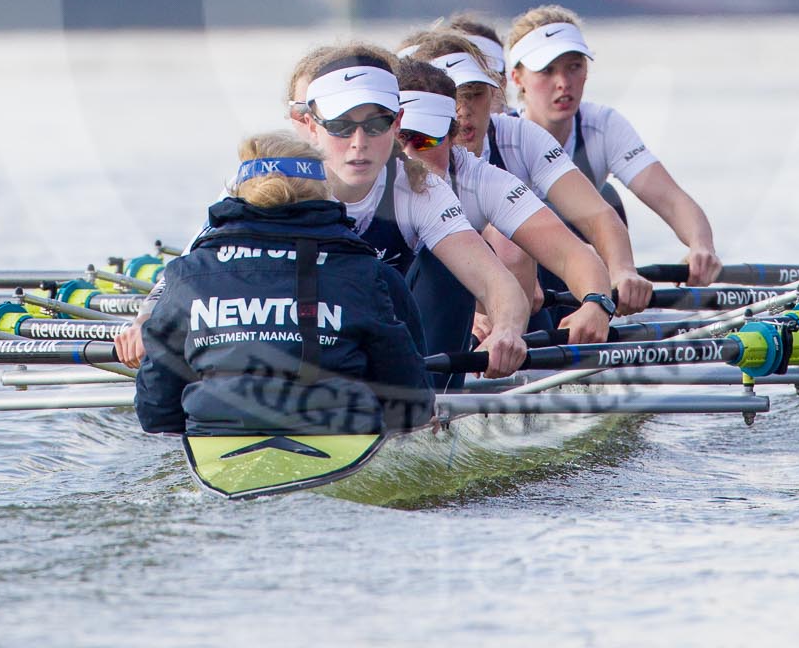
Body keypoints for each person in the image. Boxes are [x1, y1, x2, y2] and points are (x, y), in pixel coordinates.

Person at [132, 133, 435, 437]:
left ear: (239, 193)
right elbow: (414, 404)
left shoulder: (187, 274)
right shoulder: (371, 274)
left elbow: (155, 411)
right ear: (324, 193)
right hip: (338, 441)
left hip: (216, 445)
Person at [283, 43, 531, 378]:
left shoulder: (419, 188)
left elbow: (499, 284)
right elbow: (200, 277)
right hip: (299, 347)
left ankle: (428, 403)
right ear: (312, 126)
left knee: (443, 265)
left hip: (386, 354)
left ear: (397, 123)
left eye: (375, 124)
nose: (359, 142)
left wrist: (506, 330)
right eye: (341, 126)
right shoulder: (274, 187)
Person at [402, 27, 652, 314]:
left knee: (525, 239)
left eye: (474, 94)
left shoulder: (509, 147)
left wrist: (611, 284)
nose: (463, 110)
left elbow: (592, 221)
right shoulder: (382, 163)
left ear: (494, 92)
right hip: (410, 308)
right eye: (453, 97)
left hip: (513, 302)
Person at [396, 59, 616, 345]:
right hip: (361, 327)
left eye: (425, 141)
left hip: (435, 340)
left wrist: (596, 302)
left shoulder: (484, 180)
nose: (410, 154)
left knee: (453, 269)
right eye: (400, 140)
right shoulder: (359, 178)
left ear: (452, 136)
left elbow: (572, 254)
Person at [504, 5, 723, 287]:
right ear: (517, 78)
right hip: (520, 278)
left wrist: (700, 245)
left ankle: (613, 294)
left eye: (574, 67)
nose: (563, 83)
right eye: (547, 71)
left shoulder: (603, 126)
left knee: (608, 200)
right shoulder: (500, 135)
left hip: (585, 271)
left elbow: (670, 199)